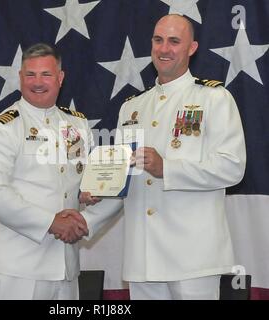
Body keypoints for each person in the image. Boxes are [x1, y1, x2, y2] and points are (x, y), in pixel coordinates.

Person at [80, 14, 246, 300]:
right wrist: (89, 212)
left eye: (174, 41)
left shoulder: (214, 98)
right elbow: (124, 182)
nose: (164, 49)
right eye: (158, 40)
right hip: (143, 257)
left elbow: (232, 167)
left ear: (191, 48)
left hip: (193, 258)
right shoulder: (132, 108)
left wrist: (166, 168)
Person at [0, 43, 94, 300]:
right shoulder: (3, 128)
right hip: (18, 268)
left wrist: (90, 193)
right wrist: (50, 222)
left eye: (46, 74)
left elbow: (82, 181)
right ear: (20, 78)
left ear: (60, 78)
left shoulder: (77, 124)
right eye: (30, 75)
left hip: (65, 265)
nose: (37, 82)